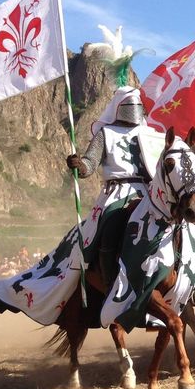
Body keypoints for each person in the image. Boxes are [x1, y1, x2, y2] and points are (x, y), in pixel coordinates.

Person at [66, 86, 157, 286]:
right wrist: (80, 165)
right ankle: (107, 281)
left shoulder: (151, 134)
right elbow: (90, 163)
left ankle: (192, 279)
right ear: (118, 107)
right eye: (129, 105)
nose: (133, 109)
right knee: (109, 225)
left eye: (137, 105)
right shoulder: (106, 133)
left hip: (149, 190)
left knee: (178, 225)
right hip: (117, 192)